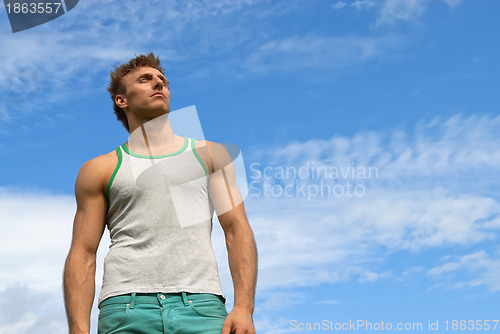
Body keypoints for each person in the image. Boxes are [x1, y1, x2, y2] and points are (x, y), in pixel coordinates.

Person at [63, 53, 257, 334]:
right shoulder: (100, 168)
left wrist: (243, 307)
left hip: (202, 306)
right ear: (122, 100)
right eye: (146, 79)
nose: (159, 84)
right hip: (125, 310)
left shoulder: (211, 155)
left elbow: (236, 230)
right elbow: (83, 252)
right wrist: (78, 330)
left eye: (162, 81)